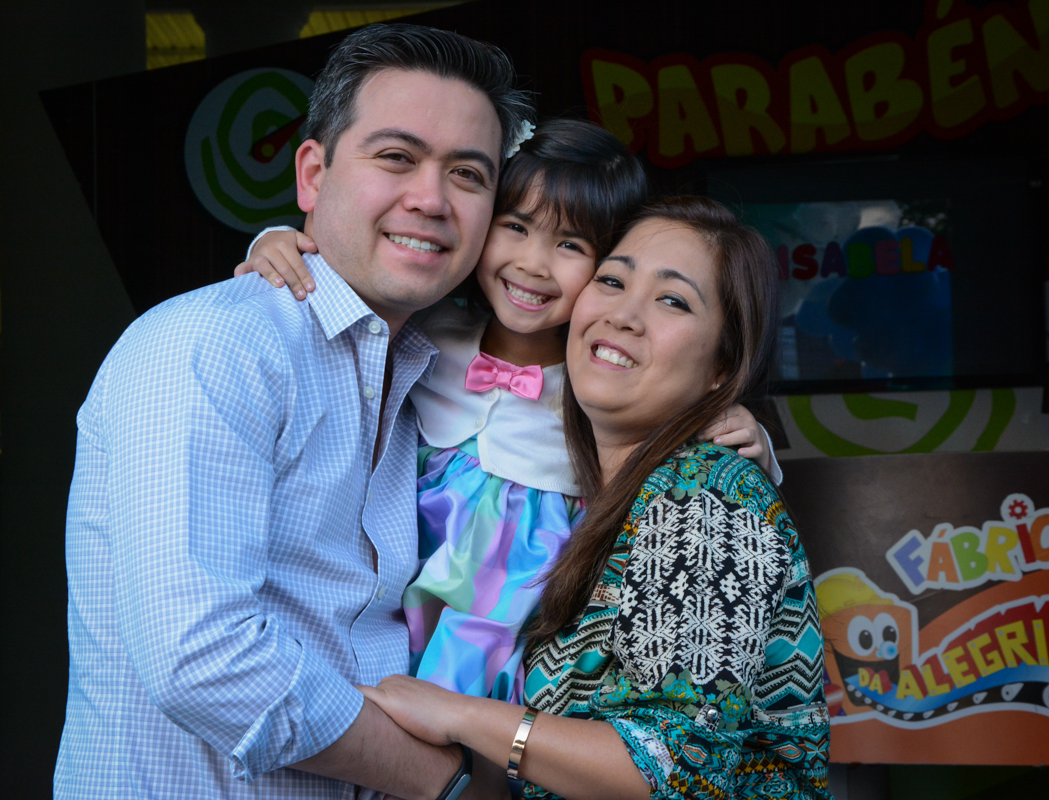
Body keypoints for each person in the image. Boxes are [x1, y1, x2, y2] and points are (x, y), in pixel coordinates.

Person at [55, 23, 534, 800]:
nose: (431, 198)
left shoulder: (430, 374)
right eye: (396, 157)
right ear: (312, 174)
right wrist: (448, 783)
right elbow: (202, 659)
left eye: (469, 174)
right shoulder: (215, 344)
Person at [238, 121, 784, 709]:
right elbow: (345, 290)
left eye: (571, 246)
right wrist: (275, 240)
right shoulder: (424, 330)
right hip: (400, 575)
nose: (532, 263)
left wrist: (750, 434)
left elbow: (689, 451)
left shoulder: (601, 380)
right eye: (515, 227)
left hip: (523, 602)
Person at [352, 197, 832, 799]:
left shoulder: (706, 497)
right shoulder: (589, 500)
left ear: (721, 366)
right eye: (611, 280)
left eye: (673, 300)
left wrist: (458, 714)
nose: (625, 315)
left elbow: (676, 767)